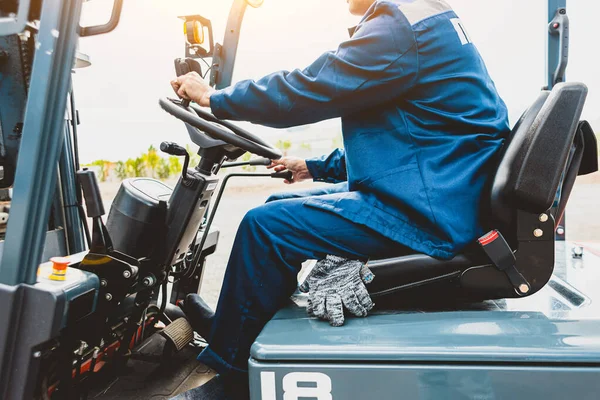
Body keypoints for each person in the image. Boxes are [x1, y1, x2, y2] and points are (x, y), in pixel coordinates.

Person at [171, 0, 510, 398]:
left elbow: (311, 87)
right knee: (272, 208)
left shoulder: (400, 25)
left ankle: (234, 380)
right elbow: (410, 137)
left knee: (265, 228)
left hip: (430, 210)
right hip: (441, 187)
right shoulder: (424, 17)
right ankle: (241, 326)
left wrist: (216, 97)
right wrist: (313, 167)